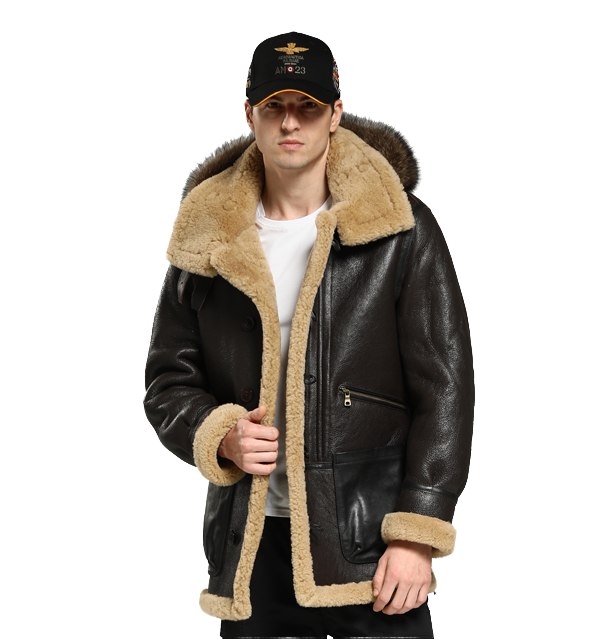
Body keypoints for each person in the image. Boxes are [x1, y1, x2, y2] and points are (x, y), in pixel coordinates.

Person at [143, 31, 475, 639]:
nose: (290, 122)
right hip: (252, 546)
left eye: (308, 106)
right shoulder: (207, 234)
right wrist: (220, 436)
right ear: (249, 113)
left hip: (371, 547)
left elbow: (445, 387)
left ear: (335, 113)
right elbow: (168, 381)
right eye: (274, 106)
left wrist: (417, 533)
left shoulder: (399, 229)